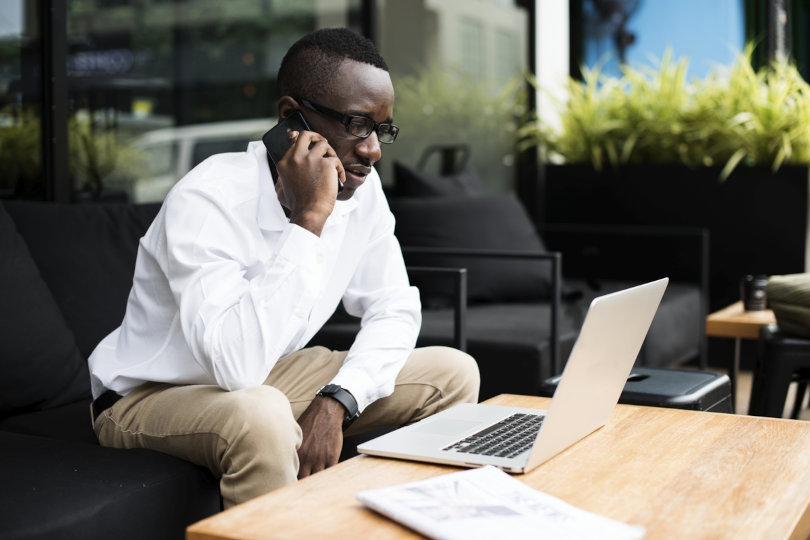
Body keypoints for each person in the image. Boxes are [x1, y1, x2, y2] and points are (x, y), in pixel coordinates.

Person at [87, 27, 480, 509]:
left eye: (383, 129)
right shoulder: (210, 197)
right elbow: (236, 366)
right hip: (147, 397)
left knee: (454, 372)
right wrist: (309, 221)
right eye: (358, 124)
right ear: (291, 118)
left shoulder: (364, 191)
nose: (374, 150)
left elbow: (394, 310)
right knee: (264, 412)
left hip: (267, 375)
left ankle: (404, 523)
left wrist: (339, 398)